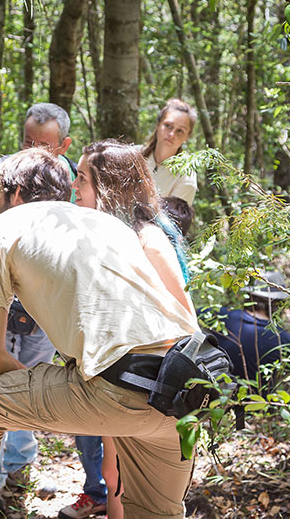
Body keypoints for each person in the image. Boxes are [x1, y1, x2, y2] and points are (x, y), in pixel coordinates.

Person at [0, 148, 199, 519]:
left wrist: (50, 400)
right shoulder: (106, 224)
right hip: (183, 394)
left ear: (14, 195)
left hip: (120, 389)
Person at [64, 140, 195, 519]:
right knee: (113, 474)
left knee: (135, 489)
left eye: (82, 178)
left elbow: (185, 320)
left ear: (108, 187)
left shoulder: (147, 239)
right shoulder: (104, 236)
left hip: (161, 391)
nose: (74, 186)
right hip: (123, 381)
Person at [0, 103, 75, 498]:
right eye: (27, 141)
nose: (33, 150)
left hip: (42, 304)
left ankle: (19, 464)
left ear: (64, 145)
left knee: (34, 376)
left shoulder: (71, 179)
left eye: (45, 144)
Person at [209, 271, 290, 391]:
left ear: (251, 296)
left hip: (215, 397)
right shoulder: (281, 338)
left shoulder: (222, 315)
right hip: (258, 405)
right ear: (278, 303)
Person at [142, 98, 198, 206]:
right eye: (168, 126)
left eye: (180, 131)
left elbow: (173, 219)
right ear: (158, 125)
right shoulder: (133, 155)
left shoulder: (186, 175)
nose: (172, 134)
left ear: (188, 136)